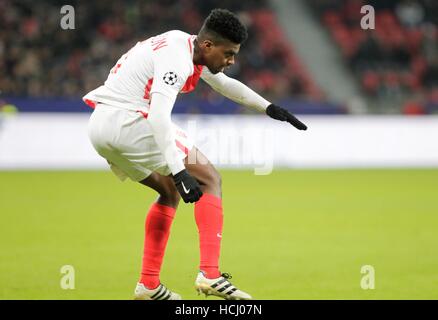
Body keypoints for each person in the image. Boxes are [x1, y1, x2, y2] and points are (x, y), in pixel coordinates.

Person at [84, 8, 307, 300]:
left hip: (100, 128)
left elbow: (225, 85)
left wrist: (268, 107)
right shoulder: (176, 60)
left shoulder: (186, 46)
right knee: (210, 178)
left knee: (168, 192)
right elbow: (158, 118)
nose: (231, 61)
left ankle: (148, 285)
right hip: (129, 122)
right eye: (228, 53)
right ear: (208, 45)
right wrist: (179, 171)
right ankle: (210, 274)